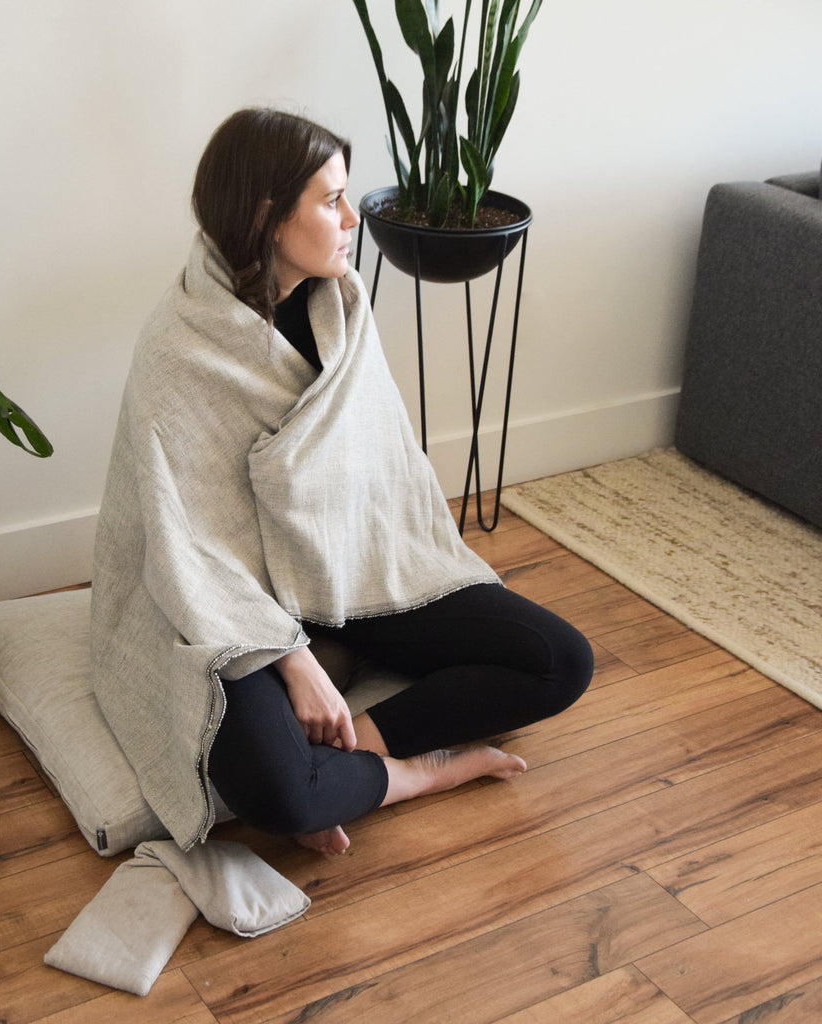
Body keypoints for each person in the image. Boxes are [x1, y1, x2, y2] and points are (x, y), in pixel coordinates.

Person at [91, 108, 593, 857]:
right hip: (233, 603)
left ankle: (365, 744)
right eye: (332, 201)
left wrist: (346, 709)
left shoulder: (342, 304)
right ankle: (416, 777)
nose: (353, 218)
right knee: (281, 794)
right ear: (267, 214)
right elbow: (188, 547)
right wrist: (292, 660)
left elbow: (378, 469)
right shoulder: (179, 348)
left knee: (560, 660)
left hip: (348, 563)